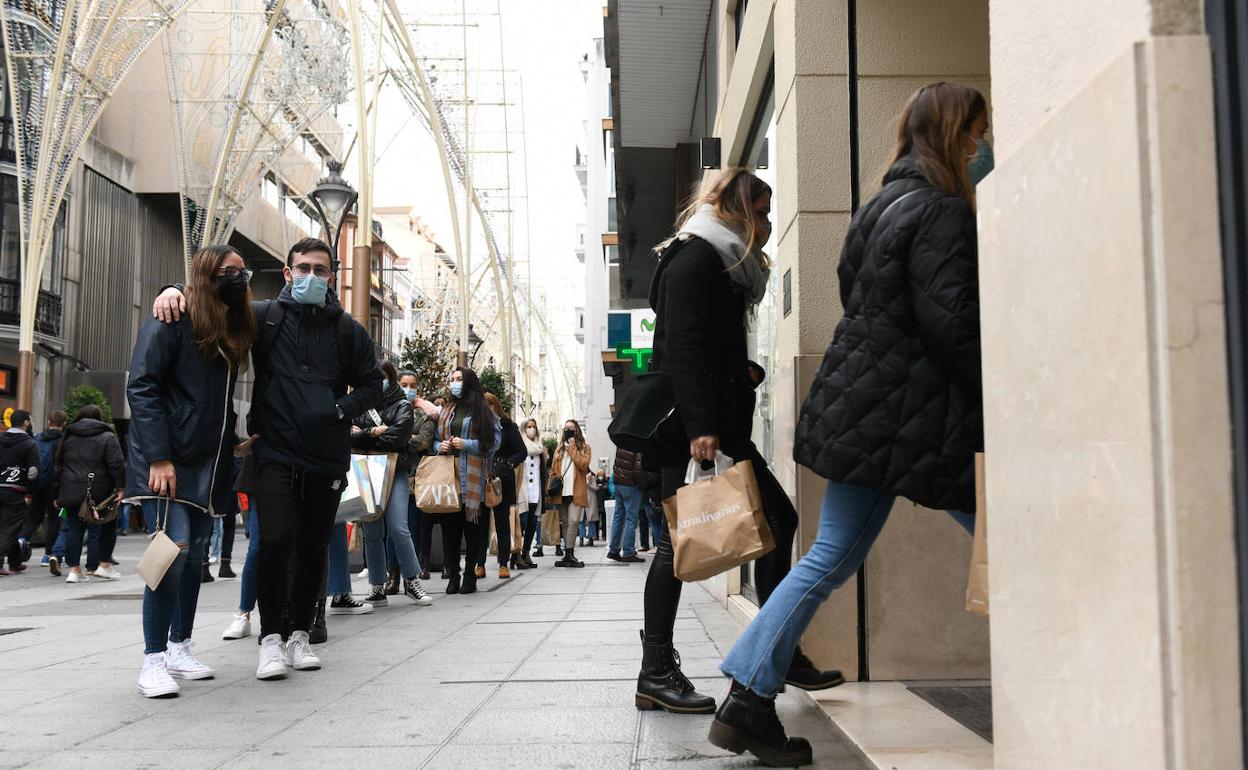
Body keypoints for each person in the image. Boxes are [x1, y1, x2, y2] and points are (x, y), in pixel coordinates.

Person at [710, 83, 988, 766]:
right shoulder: (943, 211)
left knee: (829, 556)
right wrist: (1001, 394)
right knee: (1013, 541)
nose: (984, 145)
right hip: (908, 418)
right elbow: (954, 324)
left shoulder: (880, 208)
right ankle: (1070, 681)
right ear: (954, 135)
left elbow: (859, 299)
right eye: (978, 132)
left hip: (863, 408)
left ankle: (747, 697)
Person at [634, 166, 841, 720]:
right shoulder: (696, 255)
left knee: (758, 527)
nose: (768, 223)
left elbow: (708, 344)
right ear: (736, 208)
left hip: (715, 421)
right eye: (763, 210)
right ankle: (662, 669)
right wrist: (703, 423)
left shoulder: (720, 261)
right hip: (694, 428)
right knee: (684, 543)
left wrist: (739, 371)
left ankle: (768, 649)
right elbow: (681, 346)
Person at [152, 236, 384, 682]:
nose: (310, 277)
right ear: (287, 272)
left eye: (319, 270)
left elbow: (374, 385)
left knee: (314, 546)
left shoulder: (348, 330)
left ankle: (299, 633)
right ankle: (271, 640)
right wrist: (172, 289)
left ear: (331, 275)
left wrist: (340, 410)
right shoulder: (264, 317)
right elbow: (212, 311)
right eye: (303, 268)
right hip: (273, 452)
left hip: (325, 456)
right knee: (274, 541)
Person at [127, 244, 256, 698]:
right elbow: (141, 386)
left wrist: (234, 443)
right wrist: (158, 456)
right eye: (228, 271)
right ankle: (152, 659)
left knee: (195, 555)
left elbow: (214, 403)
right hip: (170, 461)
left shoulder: (227, 328)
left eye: (243, 271)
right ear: (206, 274)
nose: (238, 278)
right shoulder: (172, 317)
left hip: (210, 460)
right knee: (171, 552)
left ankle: (179, 646)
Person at [352, 360, 432, 607]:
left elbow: (398, 438)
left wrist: (367, 435)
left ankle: (412, 580)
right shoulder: (361, 405)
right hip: (367, 471)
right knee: (372, 532)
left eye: (383, 377)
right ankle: (377, 585)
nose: (380, 382)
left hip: (396, 471)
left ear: (391, 378)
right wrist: (373, 433)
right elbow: (351, 436)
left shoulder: (403, 406)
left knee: (399, 527)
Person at [434, 367, 500, 595]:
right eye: (452, 379)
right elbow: (434, 439)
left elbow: (493, 443)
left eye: (459, 379)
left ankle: (469, 574)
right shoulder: (447, 410)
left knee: (472, 531)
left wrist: (467, 445)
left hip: (473, 482)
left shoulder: (483, 411)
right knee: (449, 531)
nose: (455, 383)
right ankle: (453, 574)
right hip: (448, 479)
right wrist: (439, 446)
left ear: (469, 381)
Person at [56, 405, 126, 583]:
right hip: (99, 489)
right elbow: (116, 464)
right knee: (108, 525)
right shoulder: (107, 436)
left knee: (74, 528)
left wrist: (58, 491)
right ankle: (103, 565)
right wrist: (120, 487)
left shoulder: (69, 437)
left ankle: (74, 570)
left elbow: (58, 463)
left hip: (71, 488)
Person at [476, 393, 525, 578]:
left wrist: (508, 463)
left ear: (496, 405)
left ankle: (503, 563)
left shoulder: (507, 426)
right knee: (480, 524)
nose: (488, 408)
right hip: (480, 477)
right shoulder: (477, 426)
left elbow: (521, 451)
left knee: (502, 522)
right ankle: (479, 564)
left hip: (500, 480)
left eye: (490, 404)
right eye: (484, 404)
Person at [396, 371, 436, 583]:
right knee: (391, 532)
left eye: (412, 385)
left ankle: (410, 577)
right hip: (389, 476)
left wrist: (396, 434)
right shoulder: (387, 409)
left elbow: (423, 442)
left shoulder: (425, 415)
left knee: (412, 530)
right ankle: (393, 575)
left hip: (416, 481)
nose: (408, 389)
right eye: (404, 384)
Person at [21, 410, 65, 568]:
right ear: (64, 424)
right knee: (56, 519)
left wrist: (29, 489)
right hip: (55, 487)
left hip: (38, 483)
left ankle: (22, 539)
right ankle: (48, 554)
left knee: (34, 515)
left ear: (48, 422)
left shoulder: (37, 438)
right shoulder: (64, 440)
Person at [547, 420, 590, 568]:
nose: (569, 430)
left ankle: (570, 553)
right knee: (565, 523)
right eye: (566, 428)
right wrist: (549, 489)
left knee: (573, 522)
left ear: (577, 430)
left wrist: (572, 448)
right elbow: (552, 471)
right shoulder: (559, 450)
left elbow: (584, 466)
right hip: (561, 491)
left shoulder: (585, 448)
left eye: (572, 428)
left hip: (576, 491)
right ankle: (567, 554)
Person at [0, 410, 39, 576]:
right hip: (15, 491)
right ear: (25, 423)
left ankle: (15, 562)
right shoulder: (29, 444)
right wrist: (30, 493)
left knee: (11, 527)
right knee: (9, 528)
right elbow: (33, 472)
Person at [607, 448, 646, 564]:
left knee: (618, 517)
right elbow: (638, 466)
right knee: (631, 519)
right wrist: (642, 483)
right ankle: (628, 552)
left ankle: (613, 550)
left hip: (619, 482)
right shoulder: (637, 442)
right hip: (631, 484)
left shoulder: (621, 441)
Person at [519, 418, 546, 564]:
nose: (531, 429)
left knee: (532, 524)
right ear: (523, 428)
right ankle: (516, 554)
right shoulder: (520, 445)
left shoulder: (540, 447)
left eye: (533, 426)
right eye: (528, 426)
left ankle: (526, 553)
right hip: (522, 491)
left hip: (535, 491)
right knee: (521, 524)